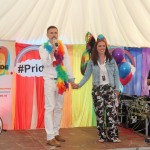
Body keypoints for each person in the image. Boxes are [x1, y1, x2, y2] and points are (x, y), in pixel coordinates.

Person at [72, 34, 121, 143]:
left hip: (109, 89)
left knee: (111, 113)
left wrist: (117, 90)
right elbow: (86, 76)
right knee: (99, 114)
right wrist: (78, 85)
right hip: (97, 90)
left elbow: (116, 76)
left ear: (106, 47)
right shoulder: (91, 62)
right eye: (100, 46)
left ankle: (113, 136)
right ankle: (102, 136)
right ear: (96, 48)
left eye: (104, 46)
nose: (102, 48)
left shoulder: (111, 60)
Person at [39, 26, 75, 147]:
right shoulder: (43, 48)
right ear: (47, 35)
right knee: (50, 108)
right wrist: (52, 51)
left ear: (58, 34)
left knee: (59, 107)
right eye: (51, 33)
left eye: (55, 32)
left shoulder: (62, 46)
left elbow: (67, 64)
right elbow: (46, 63)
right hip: (49, 80)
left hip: (61, 80)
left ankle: (56, 132)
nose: (53, 34)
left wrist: (71, 79)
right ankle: (50, 137)